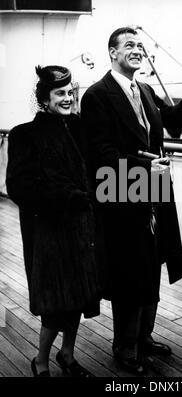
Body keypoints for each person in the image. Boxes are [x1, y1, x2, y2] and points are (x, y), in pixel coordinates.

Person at [80, 27, 182, 375]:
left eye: (139, 45)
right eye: (129, 45)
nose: (137, 49)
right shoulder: (97, 95)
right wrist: (144, 165)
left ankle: (144, 337)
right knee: (129, 270)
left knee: (152, 262)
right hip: (122, 193)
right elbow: (99, 153)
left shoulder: (143, 89)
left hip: (154, 191)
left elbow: (171, 121)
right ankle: (125, 346)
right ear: (112, 52)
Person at [6, 65, 103, 377]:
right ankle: (42, 360)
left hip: (82, 228)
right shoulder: (25, 135)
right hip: (49, 231)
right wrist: (66, 196)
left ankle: (68, 355)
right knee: (54, 304)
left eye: (70, 92)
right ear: (44, 99)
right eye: (60, 93)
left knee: (79, 296)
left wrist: (148, 179)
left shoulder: (78, 127)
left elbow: (100, 164)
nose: (67, 98)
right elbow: (19, 187)